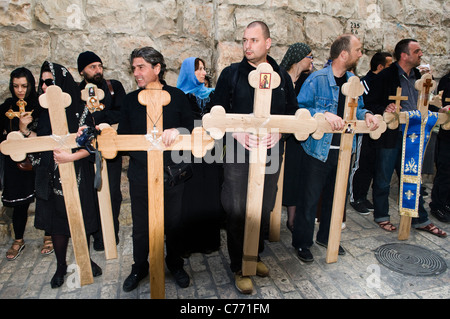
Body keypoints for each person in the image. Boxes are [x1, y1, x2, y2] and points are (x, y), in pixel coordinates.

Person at [210, 21, 298, 294]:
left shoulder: (282, 77)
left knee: (263, 205)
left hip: (271, 150)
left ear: (268, 43)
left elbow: (293, 115)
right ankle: (240, 265)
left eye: (254, 40)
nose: (247, 46)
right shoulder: (231, 74)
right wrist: (236, 131)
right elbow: (216, 110)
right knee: (237, 207)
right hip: (237, 149)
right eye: (245, 40)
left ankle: (254, 255)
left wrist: (280, 134)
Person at [293, 34, 380, 263]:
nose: (361, 54)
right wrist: (322, 114)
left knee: (336, 198)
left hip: (343, 150)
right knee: (309, 200)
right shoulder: (317, 79)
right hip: (317, 151)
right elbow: (300, 109)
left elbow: (358, 109)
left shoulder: (354, 82)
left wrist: (368, 115)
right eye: (358, 50)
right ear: (344, 54)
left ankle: (327, 237)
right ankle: (302, 243)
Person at [119, 47, 194, 292]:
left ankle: (174, 263)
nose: (136, 73)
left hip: (173, 175)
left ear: (157, 68)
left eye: (141, 67)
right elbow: (122, 139)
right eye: (134, 68)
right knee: (141, 227)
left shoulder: (178, 96)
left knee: (173, 224)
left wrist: (178, 132)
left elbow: (191, 128)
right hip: (142, 175)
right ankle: (139, 266)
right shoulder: (130, 100)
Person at [365, 39, 446, 237]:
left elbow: (425, 103)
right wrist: (385, 108)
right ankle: (382, 216)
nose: (420, 54)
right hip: (391, 135)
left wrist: (439, 110)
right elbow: (371, 103)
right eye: (416, 51)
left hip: (413, 137)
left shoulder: (419, 76)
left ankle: (420, 219)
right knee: (383, 178)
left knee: (412, 178)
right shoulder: (386, 76)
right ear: (404, 55)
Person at [33, 61, 102, 288]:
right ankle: (61, 265)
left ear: (61, 83)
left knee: (81, 217)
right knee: (57, 224)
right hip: (51, 177)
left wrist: (69, 158)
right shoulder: (39, 111)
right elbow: (34, 147)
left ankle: (85, 258)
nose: (44, 86)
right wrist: (25, 131)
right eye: (42, 82)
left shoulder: (80, 111)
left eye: (49, 82)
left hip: (77, 173)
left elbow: (92, 145)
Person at [0, 67, 53, 260]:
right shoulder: (7, 107)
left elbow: (46, 134)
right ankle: (18, 239)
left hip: (38, 158)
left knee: (44, 196)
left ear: (31, 85)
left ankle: (48, 235)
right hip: (16, 161)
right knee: (19, 203)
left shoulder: (40, 105)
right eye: (16, 86)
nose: (20, 90)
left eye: (24, 86)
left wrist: (25, 129)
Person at [77, 51, 126, 249]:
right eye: (92, 67)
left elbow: (122, 112)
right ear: (82, 71)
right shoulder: (76, 91)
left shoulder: (113, 87)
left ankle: (110, 233)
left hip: (111, 147)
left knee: (113, 192)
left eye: (100, 66)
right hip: (86, 151)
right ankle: (96, 234)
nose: (98, 70)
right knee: (91, 192)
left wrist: (100, 114)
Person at [176, 57, 223, 255]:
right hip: (189, 152)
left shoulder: (214, 95)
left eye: (204, 69)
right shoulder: (179, 96)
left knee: (210, 193)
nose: (203, 73)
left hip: (212, 150)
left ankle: (208, 242)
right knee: (190, 196)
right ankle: (187, 244)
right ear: (188, 72)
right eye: (198, 69)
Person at [349, 52, 393, 215]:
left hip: (379, 129)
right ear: (380, 67)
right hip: (364, 129)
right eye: (389, 66)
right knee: (361, 163)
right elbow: (365, 104)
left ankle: (363, 195)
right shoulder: (365, 82)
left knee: (373, 164)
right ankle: (355, 197)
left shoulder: (386, 82)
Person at [278, 42, 314, 232]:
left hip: (297, 138)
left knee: (295, 178)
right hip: (278, 135)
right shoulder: (279, 77)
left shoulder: (307, 81)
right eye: (310, 56)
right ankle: (270, 219)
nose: (312, 61)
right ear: (300, 57)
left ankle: (292, 220)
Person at [429, 70, 450, 223]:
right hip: (447, 135)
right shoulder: (447, 80)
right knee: (445, 171)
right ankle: (438, 205)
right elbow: (440, 103)